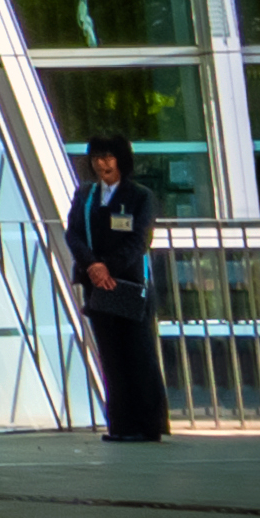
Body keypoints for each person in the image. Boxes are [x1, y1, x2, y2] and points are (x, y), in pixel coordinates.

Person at [64, 138, 169, 442]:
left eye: (109, 156)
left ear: (121, 159)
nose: (102, 163)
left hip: (128, 283)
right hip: (97, 286)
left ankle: (147, 427)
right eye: (97, 157)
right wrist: (93, 267)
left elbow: (140, 241)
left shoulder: (140, 196)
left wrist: (107, 267)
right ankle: (120, 426)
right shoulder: (86, 193)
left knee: (138, 353)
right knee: (111, 357)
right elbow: (73, 233)